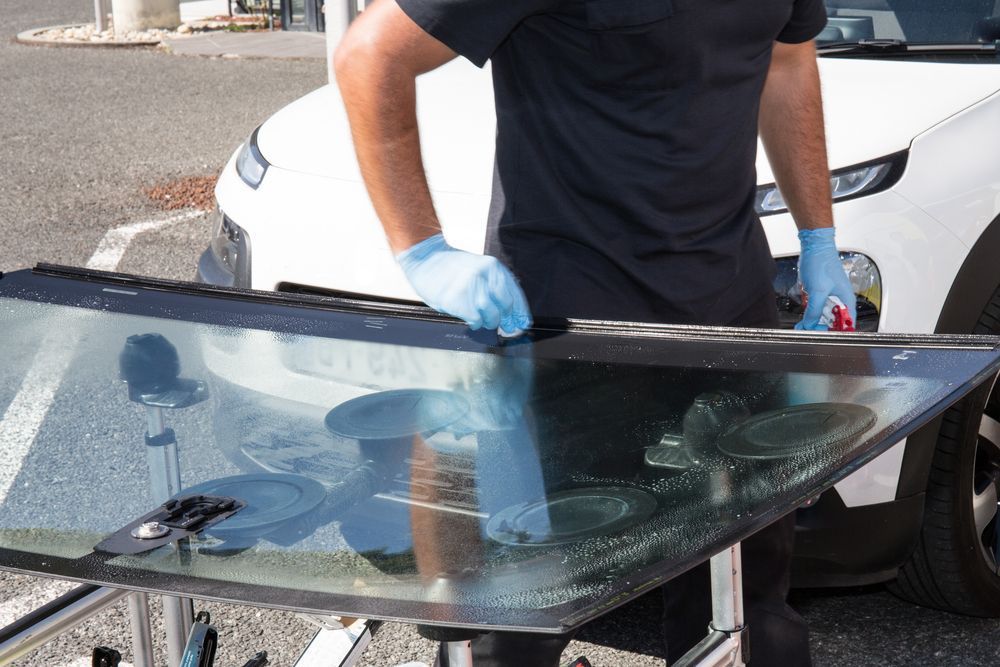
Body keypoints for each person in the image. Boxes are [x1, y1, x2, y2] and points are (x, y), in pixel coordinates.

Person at [334, 0, 856, 664]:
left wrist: (819, 237)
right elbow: (371, 57)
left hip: (731, 315)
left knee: (743, 607)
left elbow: (786, 60)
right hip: (569, 328)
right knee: (514, 615)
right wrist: (422, 251)